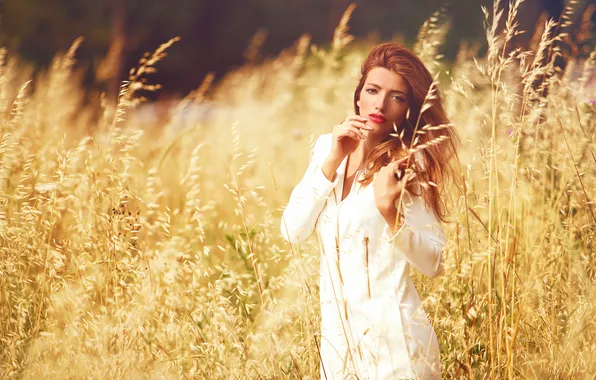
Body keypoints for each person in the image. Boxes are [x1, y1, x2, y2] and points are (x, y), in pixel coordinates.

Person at [280, 42, 460, 379]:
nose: (380, 103)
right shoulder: (325, 149)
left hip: (397, 351)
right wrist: (331, 163)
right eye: (373, 90)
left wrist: (389, 210)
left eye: (397, 97)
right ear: (358, 96)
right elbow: (292, 231)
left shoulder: (410, 165)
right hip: (338, 353)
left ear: (409, 109)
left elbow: (434, 262)